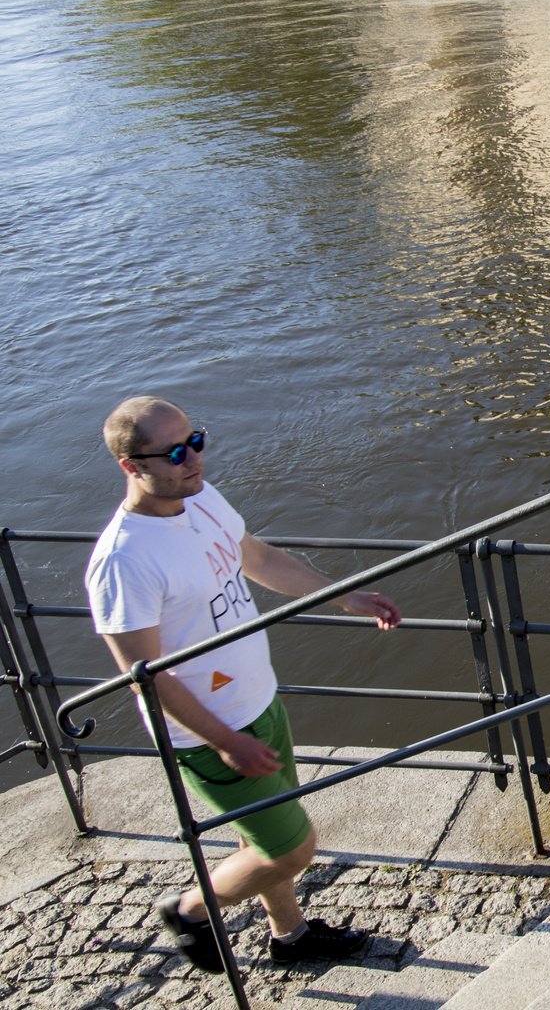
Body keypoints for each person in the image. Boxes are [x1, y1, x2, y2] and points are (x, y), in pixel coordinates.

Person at [85, 397, 402, 974]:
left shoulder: (197, 497)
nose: (194, 459)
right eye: (176, 452)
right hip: (211, 735)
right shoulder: (123, 561)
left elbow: (255, 556)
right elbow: (146, 681)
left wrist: (345, 597)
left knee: (260, 845)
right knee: (291, 849)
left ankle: (292, 937)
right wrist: (226, 740)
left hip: (259, 700)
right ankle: (190, 911)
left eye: (197, 441)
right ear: (132, 466)